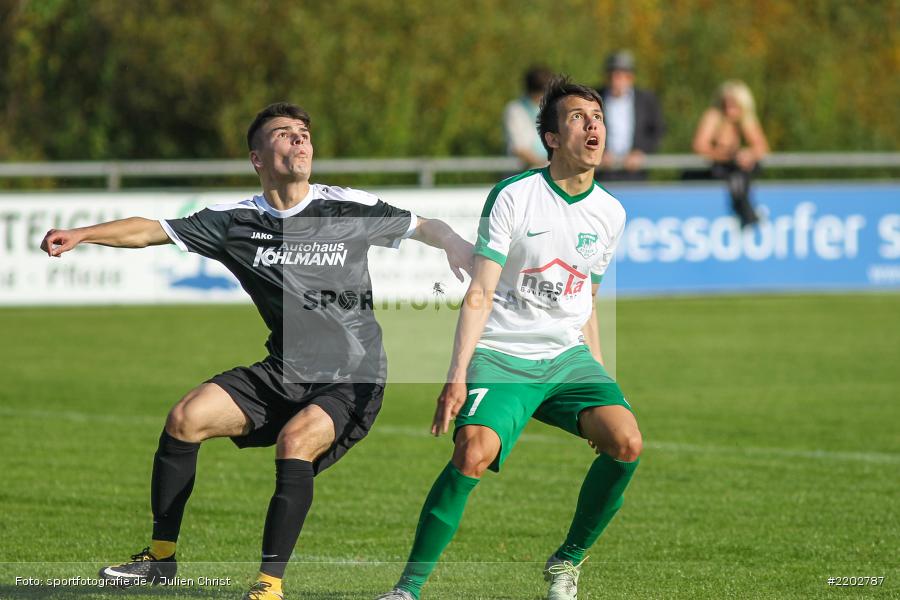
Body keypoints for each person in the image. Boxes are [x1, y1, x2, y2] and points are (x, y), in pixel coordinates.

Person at [40, 102, 473, 600]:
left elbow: (423, 225)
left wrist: (455, 244)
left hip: (352, 376)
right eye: (284, 133)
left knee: (296, 441)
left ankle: (269, 586)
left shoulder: (343, 205)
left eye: (304, 133)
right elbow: (150, 229)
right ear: (257, 157)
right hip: (282, 370)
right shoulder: (235, 220)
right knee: (186, 417)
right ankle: (160, 559)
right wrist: (83, 235)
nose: (300, 140)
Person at [376, 78, 642, 600]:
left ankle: (567, 562)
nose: (593, 127)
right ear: (550, 137)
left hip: (567, 359)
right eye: (578, 118)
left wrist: (601, 379)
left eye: (598, 118)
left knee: (627, 441)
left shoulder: (611, 212)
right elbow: (480, 289)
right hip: (503, 354)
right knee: (473, 451)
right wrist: (456, 375)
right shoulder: (514, 195)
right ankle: (407, 590)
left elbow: (586, 298)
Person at [692, 80, 770, 227]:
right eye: (726, 104)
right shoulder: (714, 116)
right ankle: (747, 213)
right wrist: (725, 155)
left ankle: (746, 212)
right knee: (737, 174)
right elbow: (699, 145)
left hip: (737, 170)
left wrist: (748, 154)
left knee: (742, 172)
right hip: (715, 169)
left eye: (734, 105)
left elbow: (761, 146)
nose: (729, 110)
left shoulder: (745, 119)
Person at [594, 50, 665, 181]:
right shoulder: (594, 98)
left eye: (620, 76)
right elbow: (584, 129)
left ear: (631, 77)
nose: (615, 81)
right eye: (612, 76)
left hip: (635, 173)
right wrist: (597, 152)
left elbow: (658, 130)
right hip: (602, 173)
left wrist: (641, 151)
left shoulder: (646, 100)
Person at [502, 66, 554, 169]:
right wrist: (547, 166)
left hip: (552, 170)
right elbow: (518, 148)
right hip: (524, 172)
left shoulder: (552, 107)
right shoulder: (515, 110)